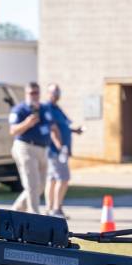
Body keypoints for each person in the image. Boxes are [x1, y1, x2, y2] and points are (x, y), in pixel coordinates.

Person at [9, 82, 58, 213]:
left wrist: (59, 144)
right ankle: (34, 213)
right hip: (25, 147)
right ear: (26, 94)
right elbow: (13, 131)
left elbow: (53, 127)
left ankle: (16, 209)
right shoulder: (19, 110)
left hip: (43, 149)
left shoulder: (44, 109)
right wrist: (27, 123)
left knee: (41, 185)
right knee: (32, 184)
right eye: (31, 93)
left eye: (36, 92)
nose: (34, 95)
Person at [42, 83, 81, 217]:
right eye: (53, 92)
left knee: (53, 179)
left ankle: (50, 208)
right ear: (48, 93)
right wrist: (61, 148)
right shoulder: (47, 108)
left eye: (58, 91)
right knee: (63, 178)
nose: (56, 94)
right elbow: (53, 131)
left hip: (60, 150)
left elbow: (65, 126)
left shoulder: (57, 108)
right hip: (56, 150)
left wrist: (75, 130)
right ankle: (56, 209)